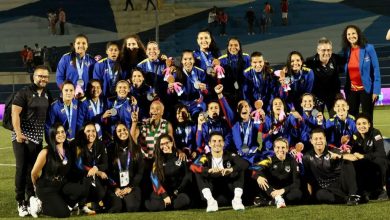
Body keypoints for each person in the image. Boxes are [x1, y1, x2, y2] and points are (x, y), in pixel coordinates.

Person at [11, 65, 51, 217]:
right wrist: (18, 133)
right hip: (21, 137)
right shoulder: (24, 92)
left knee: (32, 170)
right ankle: (20, 201)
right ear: (34, 77)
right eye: (40, 76)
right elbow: (15, 113)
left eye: (46, 76)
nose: (43, 79)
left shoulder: (47, 94)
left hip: (37, 139)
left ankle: (30, 199)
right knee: (21, 169)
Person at [191, 132, 248, 212]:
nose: (217, 144)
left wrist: (231, 169)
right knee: (198, 172)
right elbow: (193, 167)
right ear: (209, 144)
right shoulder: (205, 157)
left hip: (229, 192)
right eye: (214, 141)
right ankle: (211, 202)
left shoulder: (230, 155)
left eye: (220, 141)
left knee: (239, 168)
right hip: (213, 192)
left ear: (223, 143)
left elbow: (245, 163)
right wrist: (208, 170)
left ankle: (237, 200)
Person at [30, 123, 79, 218]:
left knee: (81, 189)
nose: (61, 134)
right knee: (64, 214)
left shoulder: (67, 151)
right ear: (53, 135)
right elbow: (34, 173)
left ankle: (60, 204)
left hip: (60, 187)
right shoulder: (46, 152)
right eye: (57, 133)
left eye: (62, 132)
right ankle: (39, 205)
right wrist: (36, 186)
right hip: (46, 188)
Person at [302, 128, 361, 205]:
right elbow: (308, 179)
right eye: (315, 139)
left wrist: (339, 156)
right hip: (327, 189)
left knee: (347, 162)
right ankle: (351, 199)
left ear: (325, 139)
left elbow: (354, 158)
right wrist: (309, 196)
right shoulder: (307, 157)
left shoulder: (333, 150)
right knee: (320, 195)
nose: (319, 141)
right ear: (311, 141)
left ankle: (353, 195)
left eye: (321, 138)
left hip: (341, 184)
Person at [342, 25, 381, 120]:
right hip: (351, 91)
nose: (351, 36)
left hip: (367, 89)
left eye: (353, 33)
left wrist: (376, 91)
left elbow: (376, 69)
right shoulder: (346, 51)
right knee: (351, 117)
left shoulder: (369, 48)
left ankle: (368, 135)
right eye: (348, 34)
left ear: (358, 34)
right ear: (346, 37)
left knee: (367, 117)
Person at [145, 134, 192, 211]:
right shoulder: (157, 160)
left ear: (172, 143)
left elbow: (187, 176)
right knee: (154, 206)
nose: (165, 146)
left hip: (178, 192)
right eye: (162, 144)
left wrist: (176, 192)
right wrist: (164, 195)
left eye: (167, 143)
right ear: (159, 146)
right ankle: (166, 204)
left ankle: (168, 205)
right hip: (162, 192)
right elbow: (154, 178)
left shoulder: (181, 156)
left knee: (184, 200)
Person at [252, 137, 302, 208]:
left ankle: (272, 202)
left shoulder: (292, 161)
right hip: (270, 190)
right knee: (260, 175)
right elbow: (254, 168)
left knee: (297, 194)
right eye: (278, 147)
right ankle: (277, 198)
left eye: (283, 147)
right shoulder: (269, 160)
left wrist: (283, 190)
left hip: (285, 191)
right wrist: (258, 177)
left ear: (287, 149)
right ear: (274, 149)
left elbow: (297, 183)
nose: (280, 150)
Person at [106, 123, 144, 213]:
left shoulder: (136, 148)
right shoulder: (110, 149)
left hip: (131, 187)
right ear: (115, 134)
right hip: (115, 187)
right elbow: (107, 172)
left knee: (132, 207)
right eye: (119, 131)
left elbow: (140, 172)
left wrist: (130, 187)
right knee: (116, 209)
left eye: (124, 129)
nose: (123, 132)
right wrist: (115, 188)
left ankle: (125, 201)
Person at [350, 113, 388, 200]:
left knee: (380, 161)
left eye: (364, 123)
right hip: (367, 163)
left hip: (377, 161)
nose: (361, 126)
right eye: (359, 124)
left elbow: (381, 153)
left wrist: (363, 156)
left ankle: (384, 189)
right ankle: (363, 190)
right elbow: (354, 153)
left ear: (369, 124)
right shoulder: (356, 136)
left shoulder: (375, 133)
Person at [73, 122, 108, 213]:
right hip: (80, 176)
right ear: (83, 132)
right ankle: (80, 204)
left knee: (101, 192)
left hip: (93, 175)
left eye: (93, 131)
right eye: (88, 131)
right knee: (86, 180)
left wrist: (96, 168)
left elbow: (105, 163)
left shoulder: (100, 144)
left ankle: (91, 203)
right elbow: (78, 166)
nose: (91, 134)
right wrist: (96, 172)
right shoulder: (77, 145)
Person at [305, 37, 344, 117]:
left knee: (335, 118)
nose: (326, 53)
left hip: (333, 97)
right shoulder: (310, 62)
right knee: (316, 119)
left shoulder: (336, 59)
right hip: (316, 98)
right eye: (323, 50)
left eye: (329, 50)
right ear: (318, 50)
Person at [174, 50, 208, 118]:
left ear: (194, 60)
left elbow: (207, 90)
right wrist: (170, 88)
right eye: (185, 59)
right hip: (182, 104)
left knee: (198, 117)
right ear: (181, 61)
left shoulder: (201, 72)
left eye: (190, 59)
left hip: (196, 103)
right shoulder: (176, 73)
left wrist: (205, 89)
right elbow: (170, 93)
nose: (188, 62)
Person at [218, 37, 251, 107]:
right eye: (231, 45)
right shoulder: (221, 60)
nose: (233, 47)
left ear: (240, 46)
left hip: (243, 91)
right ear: (227, 46)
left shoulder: (246, 58)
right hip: (228, 92)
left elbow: (250, 75)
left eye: (236, 45)